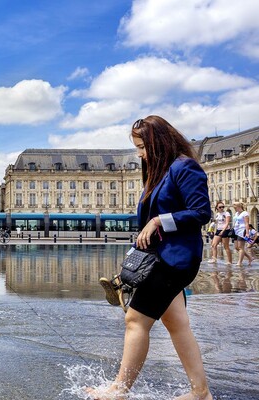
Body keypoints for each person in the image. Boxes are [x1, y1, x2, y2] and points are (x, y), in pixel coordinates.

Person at [91, 116, 213, 400]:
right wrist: (139, 248)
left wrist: (160, 221)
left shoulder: (185, 167)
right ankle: (201, 392)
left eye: (143, 147)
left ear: (159, 143)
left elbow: (201, 213)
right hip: (159, 256)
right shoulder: (160, 171)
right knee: (177, 323)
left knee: (135, 320)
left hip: (175, 260)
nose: (140, 154)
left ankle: (119, 391)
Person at [232, 201, 253, 266]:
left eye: (235, 207)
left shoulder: (245, 213)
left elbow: (247, 223)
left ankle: (239, 262)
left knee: (241, 247)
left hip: (242, 231)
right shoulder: (236, 213)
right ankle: (249, 257)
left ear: (239, 207)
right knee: (236, 247)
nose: (234, 208)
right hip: (236, 231)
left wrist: (247, 233)